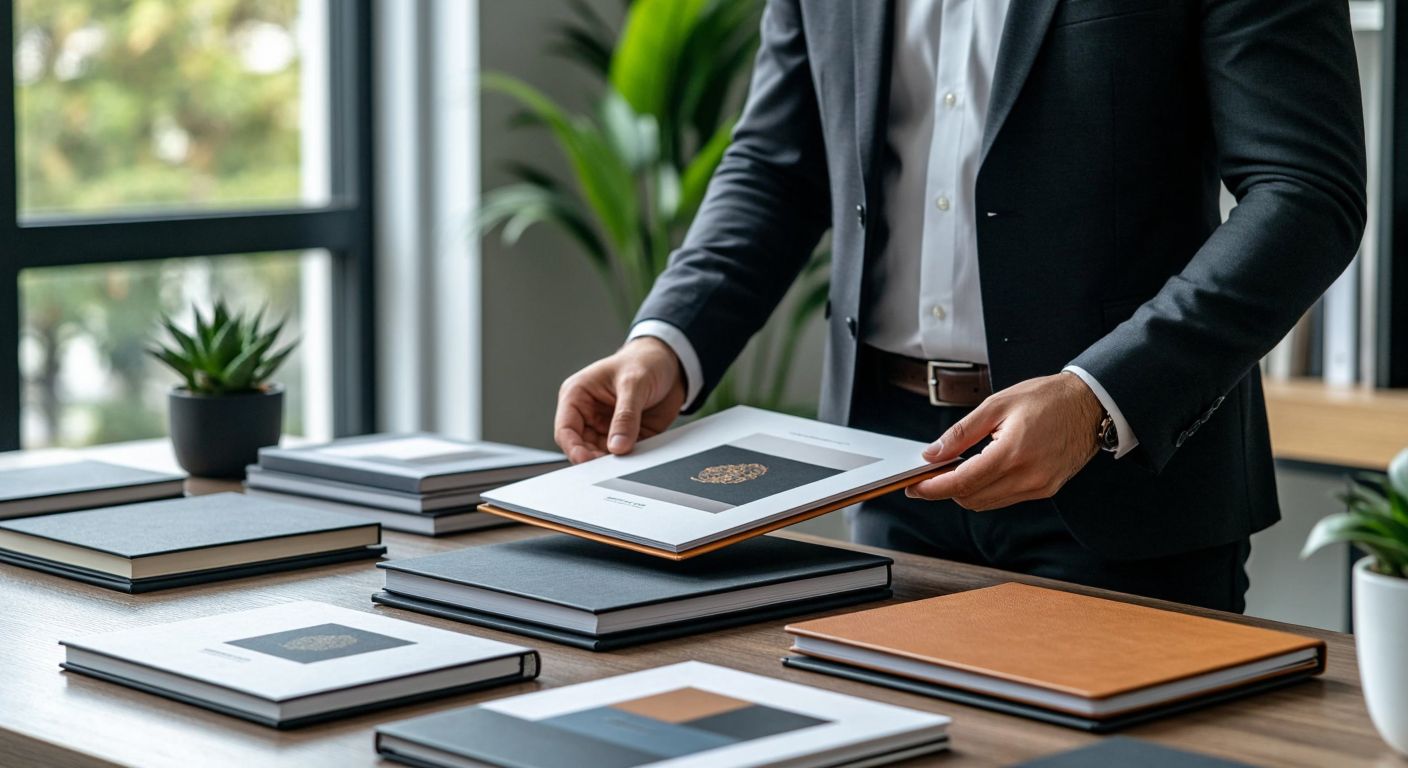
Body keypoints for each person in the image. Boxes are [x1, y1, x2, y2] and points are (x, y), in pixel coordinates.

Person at [553, 0, 1367, 612]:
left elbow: (1304, 193)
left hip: (1119, 482)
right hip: (882, 473)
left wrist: (1095, 398)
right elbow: (777, 161)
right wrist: (669, 338)